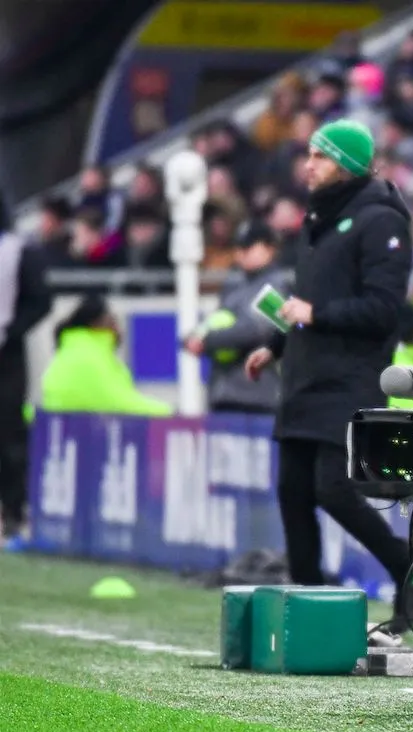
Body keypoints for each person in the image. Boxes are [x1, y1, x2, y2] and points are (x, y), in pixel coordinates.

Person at [243, 118, 413, 631]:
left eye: (321, 156)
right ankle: (307, 602)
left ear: (347, 165)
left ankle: (410, 572)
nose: (309, 164)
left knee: (333, 489)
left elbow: (383, 309)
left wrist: (315, 316)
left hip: (350, 375)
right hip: (306, 374)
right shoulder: (320, 219)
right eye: (309, 154)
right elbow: (309, 301)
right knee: (291, 491)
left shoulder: (380, 221)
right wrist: (276, 344)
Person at [185, 220, 292, 414]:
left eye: (249, 246)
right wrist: (193, 337)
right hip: (224, 393)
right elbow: (217, 320)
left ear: (269, 248)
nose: (241, 252)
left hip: (259, 396)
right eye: (239, 246)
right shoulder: (233, 284)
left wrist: (207, 340)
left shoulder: (277, 285)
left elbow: (259, 330)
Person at [0, 193, 52, 538]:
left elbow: (40, 300)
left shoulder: (19, 250)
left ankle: (13, 511)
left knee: (8, 434)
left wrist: (11, 330)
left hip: (7, 356)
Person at [39, 294, 172, 418]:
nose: (119, 329)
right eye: (113, 321)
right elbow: (118, 403)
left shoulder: (76, 350)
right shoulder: (87, 356)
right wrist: (169, 414)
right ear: (97, 324)